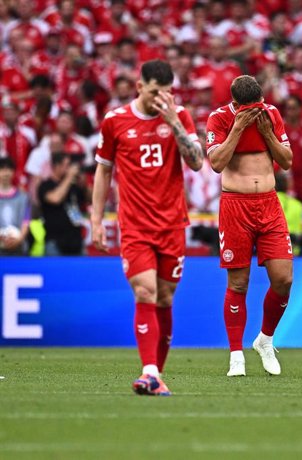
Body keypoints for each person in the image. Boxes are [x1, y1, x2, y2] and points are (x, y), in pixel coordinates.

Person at [90, 60, 204, 396]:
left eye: (167, 93)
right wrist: (97, 220)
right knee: (144, 292)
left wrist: (173, 122)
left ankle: (156, 375)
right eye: (155, 92)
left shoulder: (178, 115)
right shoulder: (115, 122)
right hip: (135, 226)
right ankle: (149, 370)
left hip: (171, 224)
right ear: (139, 87)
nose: (161, 99)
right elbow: (103, 171)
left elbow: (197, 162)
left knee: (166, 298)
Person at [206, 75, 293, 377]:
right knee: (238, 284)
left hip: (268, 204)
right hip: (235, 206)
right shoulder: (219, 119)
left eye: (259, 106)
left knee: (283, 279)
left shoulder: (270, 115)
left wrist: (268, 135)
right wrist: (238, 129)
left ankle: (265, 340)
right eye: (249, 109)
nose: (256, 111)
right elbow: (216, 163)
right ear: (235, 104)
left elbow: (287, 160)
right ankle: (235, 356)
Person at [38, 153, 87, 256]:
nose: (70, 168)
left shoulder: (74, 186)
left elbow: (90, 199)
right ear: (56, 166)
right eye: (67, 165)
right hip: (55, 242)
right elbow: (55, 199)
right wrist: (69, 178)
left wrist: (84, 184)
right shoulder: (45, 185)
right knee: (54, 271)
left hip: (76, 241)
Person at [0, 158, 31, 255]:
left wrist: (19, 239)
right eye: (2, 169)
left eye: (8, 169)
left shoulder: (23, 197)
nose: (6, 173)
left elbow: (26, 221)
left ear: (13, 172)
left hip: (19, 248)